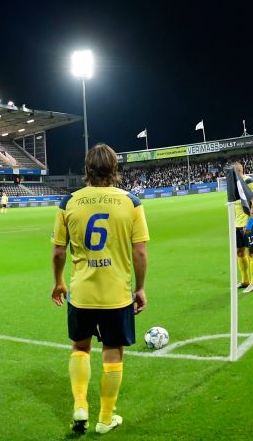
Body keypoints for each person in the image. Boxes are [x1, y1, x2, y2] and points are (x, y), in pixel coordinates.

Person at [51, 143, 149, 435]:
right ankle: (106, 419)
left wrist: (58, 282)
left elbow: (58, 252)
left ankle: (80, 405)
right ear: (114, 168)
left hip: (81, 293)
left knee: (80, 347)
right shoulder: (131, 202)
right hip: (116, 294)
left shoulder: (69, 202)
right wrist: (140, 288)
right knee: (113, 352)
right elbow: (140, 252)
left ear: (87, 169)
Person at [233, 162, 253, 293]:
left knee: (252, 252)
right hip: (237, 224)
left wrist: (249, 222)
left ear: (238, 171)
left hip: (249, 223)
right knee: (239, 252)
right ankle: (245, 281)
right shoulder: (233, 185)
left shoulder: (248, 181)